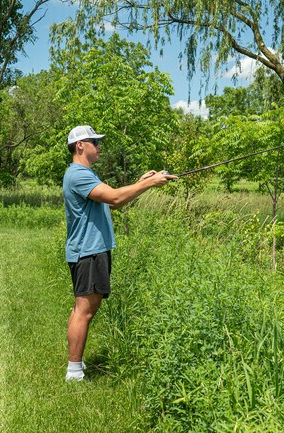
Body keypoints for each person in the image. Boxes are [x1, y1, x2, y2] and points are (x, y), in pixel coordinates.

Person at [63, 125, 177, 381]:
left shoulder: (84, 174)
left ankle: (76, 366)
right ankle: (74, 372)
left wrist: (141, 183)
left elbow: (109, 203)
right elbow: (114, 198)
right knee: (85, 310)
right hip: (88, 251)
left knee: (82, 308)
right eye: (95, 142)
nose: (99, 146)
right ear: (80, 145)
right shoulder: (79, 175)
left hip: (90, 250)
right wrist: (149, 185)